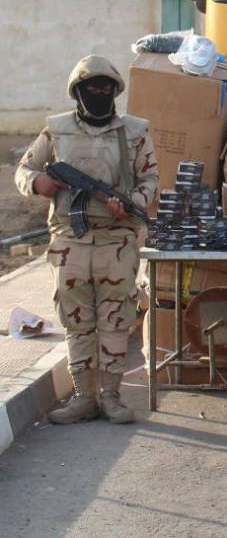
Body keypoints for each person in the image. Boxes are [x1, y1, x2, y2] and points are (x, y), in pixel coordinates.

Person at [15, 55, 159, 424]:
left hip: (118, 242)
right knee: (76, 322)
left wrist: (130, 206)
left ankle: (111, 397)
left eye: (105, 88)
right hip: (69, 243)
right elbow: (25, 169)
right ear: (77, 92)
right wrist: (37, 183)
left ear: (115, 92)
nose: (99, 93)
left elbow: (150, 181)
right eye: (91, 88)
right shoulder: (55, 131)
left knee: (115, 321)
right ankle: (83, 398)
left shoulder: (135, 131)